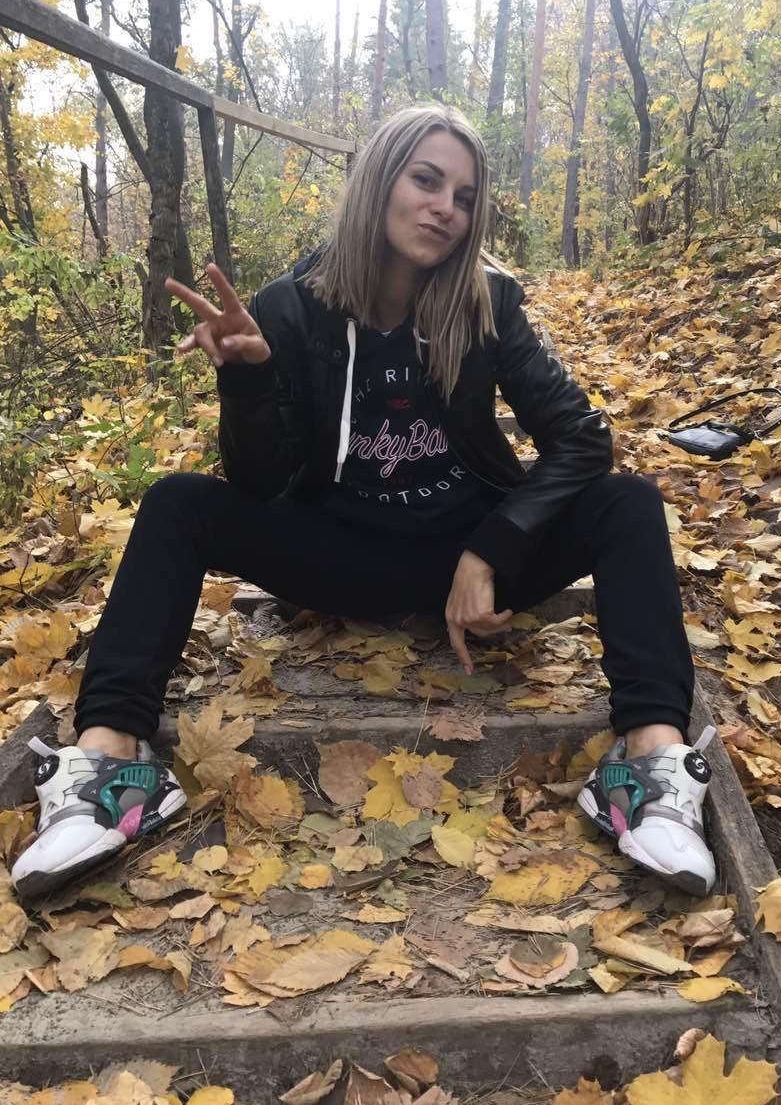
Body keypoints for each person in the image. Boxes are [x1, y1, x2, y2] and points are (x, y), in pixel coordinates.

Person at [12, 104, 717, 901]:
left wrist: (492, 547)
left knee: (629, 503)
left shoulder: (488, 302)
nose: (444, 208)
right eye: (426, 181)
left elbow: (583, 440)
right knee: (178, 502)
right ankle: (109, 766)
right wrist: (247, 380)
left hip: (467, 555)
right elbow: (259, 485)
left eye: (462, 196)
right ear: (380, 182)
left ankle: (652, 766)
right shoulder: (290, 306)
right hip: (339, 556)